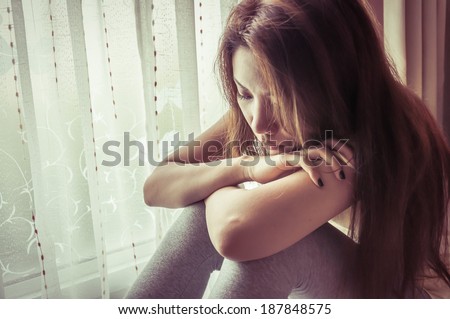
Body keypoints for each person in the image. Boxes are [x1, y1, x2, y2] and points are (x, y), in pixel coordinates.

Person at [126, 0, 450, 298]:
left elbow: (234, 231)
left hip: (400, 299)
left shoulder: (356, 145)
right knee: (203, 214)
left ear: (329, 85)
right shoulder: (260, 112)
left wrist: (214, 182)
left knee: (266, 248)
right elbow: (156, 186)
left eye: (279, 98)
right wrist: (243, 168)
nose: (258, 122)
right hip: (338, 285)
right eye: (244, 93)